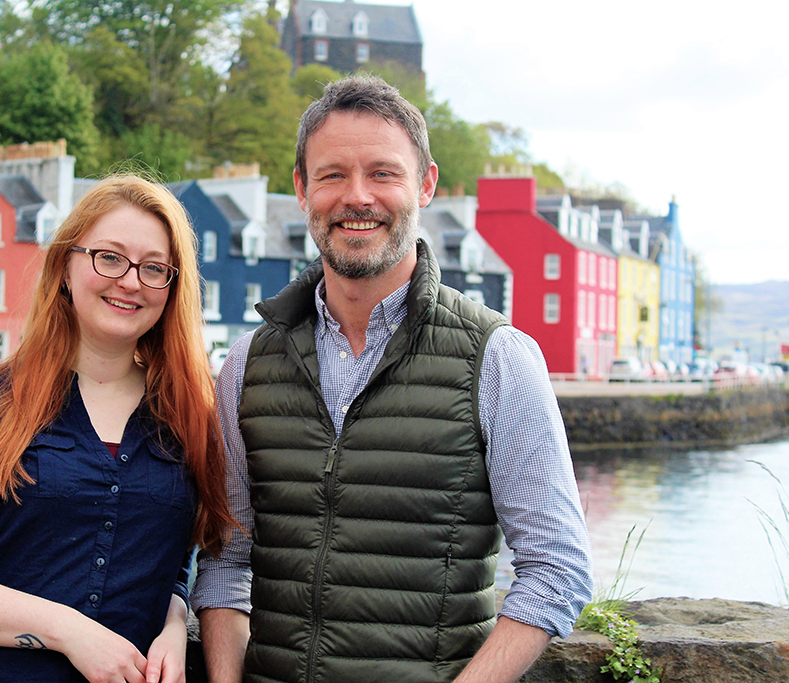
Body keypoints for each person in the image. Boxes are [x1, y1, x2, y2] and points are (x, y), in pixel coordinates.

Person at [191, 76, 594, 683]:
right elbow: (228, 561)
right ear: (302, 189)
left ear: (425, 184)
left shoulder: (499, 358)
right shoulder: (248, 363)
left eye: (383, 173)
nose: (357, 197)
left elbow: (557, 569)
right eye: (332, 175)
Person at [0, 175, 232, 683]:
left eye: (154, 268)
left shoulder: (188, 419)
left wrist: (174, 621)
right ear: (66, 266)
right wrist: (69, 631)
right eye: (108, 257)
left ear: (172, 289)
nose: (131, 281)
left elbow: (168, 557)